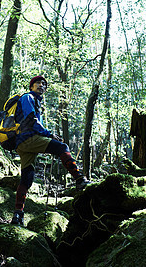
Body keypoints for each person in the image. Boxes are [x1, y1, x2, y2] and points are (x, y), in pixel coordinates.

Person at [11, 75, 90, 225]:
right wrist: (50, 134)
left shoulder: (35, 101)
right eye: (38, 83)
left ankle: (17, 216)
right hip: (28, 139)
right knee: (62, 147)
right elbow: (31, 119)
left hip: (24, 144)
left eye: (44, 84)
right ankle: (79, 180)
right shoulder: (28, 98)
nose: (41, 86)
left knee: (27, 178)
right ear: (31, 86)